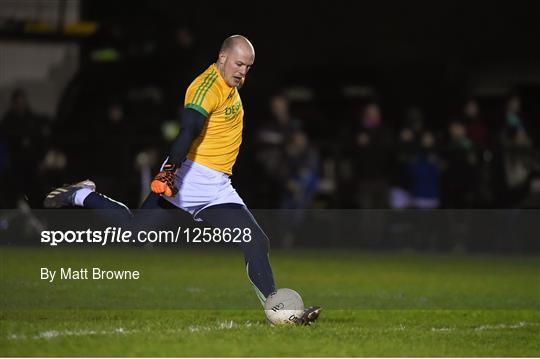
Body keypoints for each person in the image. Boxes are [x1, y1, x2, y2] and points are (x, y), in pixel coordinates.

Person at [44, 35, 321, 325]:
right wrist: (170, 170)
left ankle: (277, 311)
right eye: (239, 64)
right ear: (222, 57)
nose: (243, 72)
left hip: (216, 186)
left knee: (255, 241)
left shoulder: (230, 83)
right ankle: (82, 195)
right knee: (136, 234)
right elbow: (188, 128)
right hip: (188, 178)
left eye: (248, 67)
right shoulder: (206, 87)